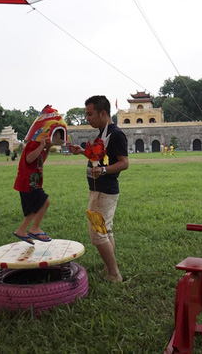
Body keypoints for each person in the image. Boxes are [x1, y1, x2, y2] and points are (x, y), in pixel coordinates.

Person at [70, 95, 129, 283]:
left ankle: (114, 273)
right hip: (98, 189)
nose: (87, 118)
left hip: (105, 190)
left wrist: (103, 171)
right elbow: (99, 156)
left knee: (97, 233)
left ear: (103, 113)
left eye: (90, 114)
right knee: (106, 230)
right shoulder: (102, 133)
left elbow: (124, 163)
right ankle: (109, 267)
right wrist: (82, 152)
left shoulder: (116, 134)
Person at [12, 132, 56, 245]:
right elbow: (29, 159)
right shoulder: (33, 144)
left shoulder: (39, 146)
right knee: (45, 202)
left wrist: (47, 148)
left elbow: (41, 161)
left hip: (30, 183)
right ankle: (35, 228)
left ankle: (21, 231)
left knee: (32, 209)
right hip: (28, 183)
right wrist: (41, 146)